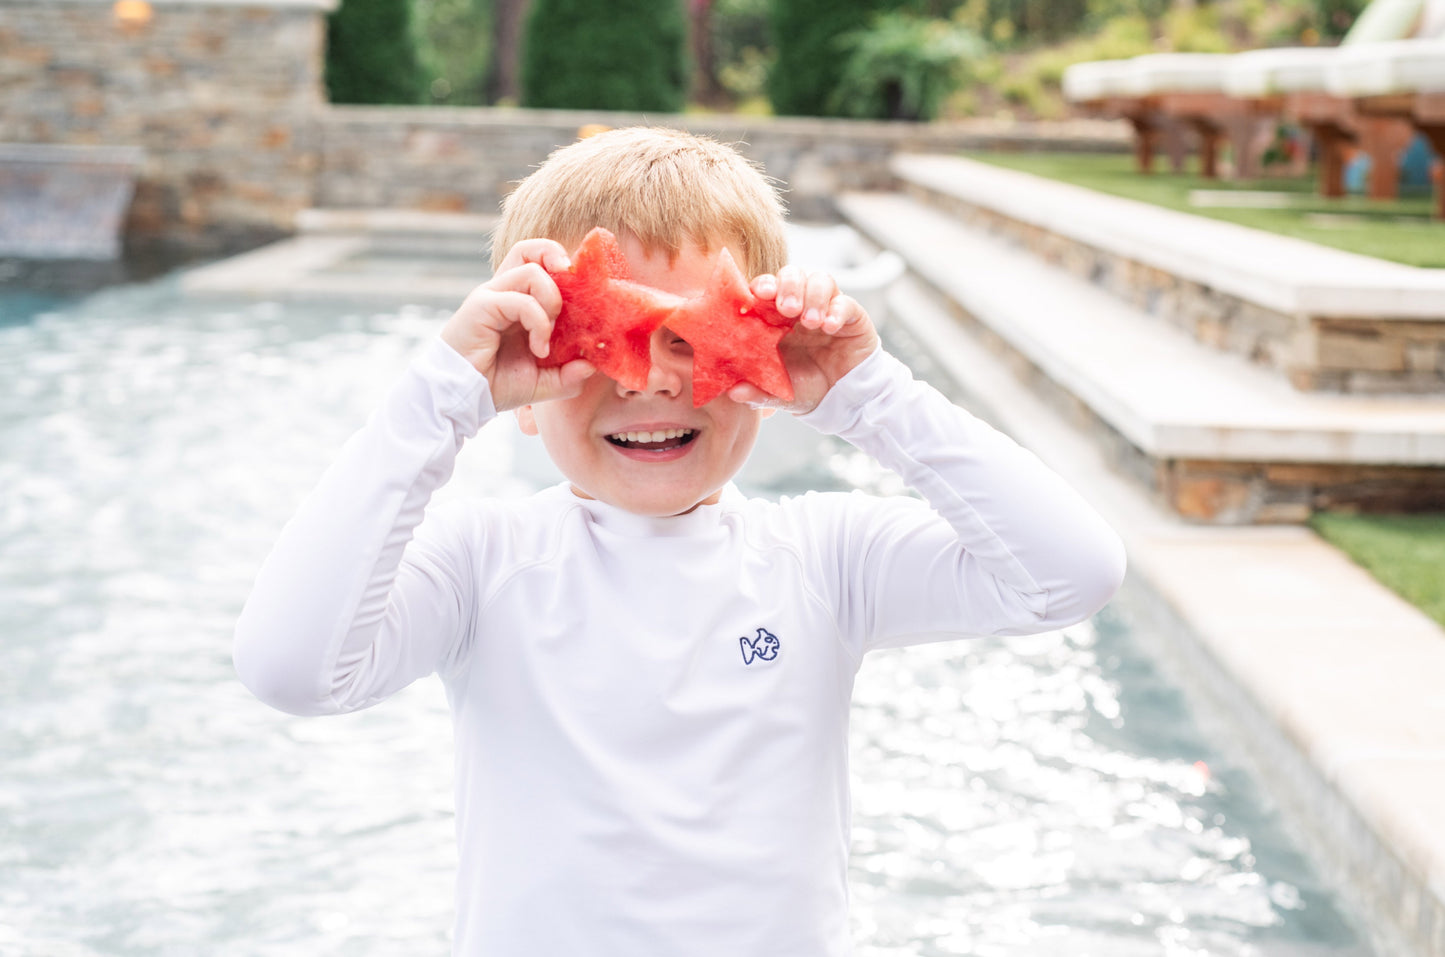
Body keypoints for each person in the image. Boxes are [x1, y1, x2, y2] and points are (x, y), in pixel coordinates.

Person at [233, 126, 1127, 956]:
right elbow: (292, 670)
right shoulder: (481, 564)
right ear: (524, 392)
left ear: (765, 372)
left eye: (691, 338)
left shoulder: (826, 559)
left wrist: (868, 394)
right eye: (599, 344)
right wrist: (440, 398)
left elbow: (1070, 574)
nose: (650, 379)